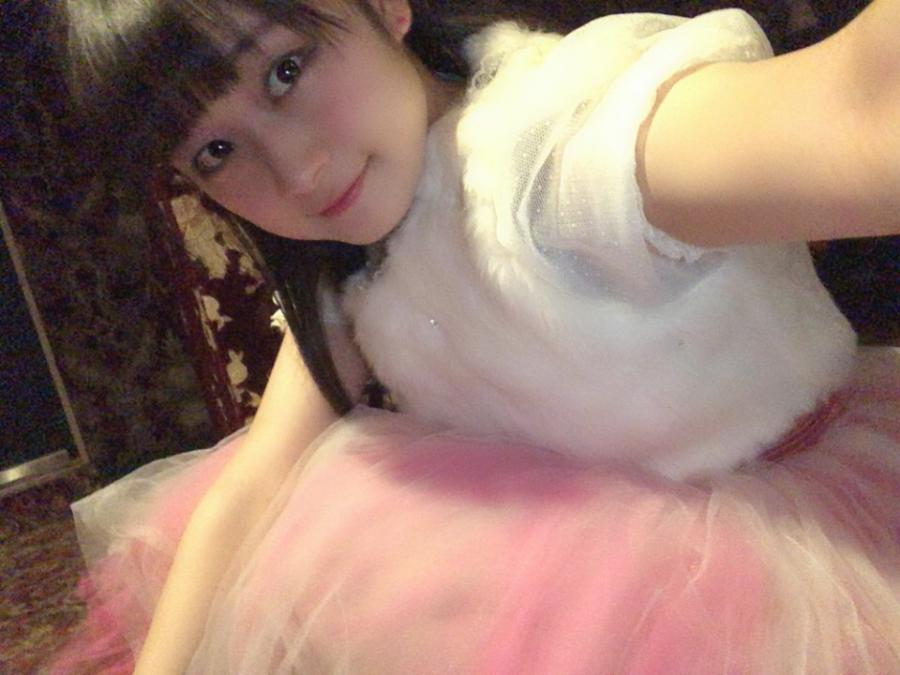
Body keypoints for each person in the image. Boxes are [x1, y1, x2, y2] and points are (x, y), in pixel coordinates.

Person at [52, 0, 900, 672]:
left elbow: (859, 112)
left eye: (286, 70)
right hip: (569, 579)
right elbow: (252, 483)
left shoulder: (554, 150)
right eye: (215, 151)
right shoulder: (355, 262)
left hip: (787, 572)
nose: (298, 172)